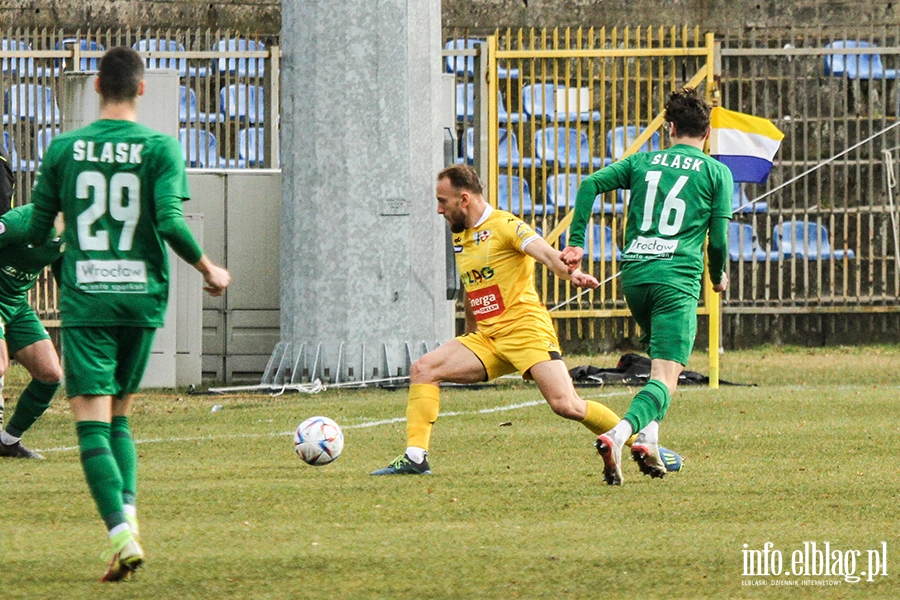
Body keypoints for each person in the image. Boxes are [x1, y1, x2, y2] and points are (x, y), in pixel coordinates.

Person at [28, 47, 231, 582]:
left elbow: (37, 230)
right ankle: (130, 534)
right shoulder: (161, 146)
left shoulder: (65, 148)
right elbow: (168, 220)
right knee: (120, 415)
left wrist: (54, 245)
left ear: (96, 86)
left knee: (91, 423)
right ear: (142, 89)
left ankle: (120, 533)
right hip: (141, 299)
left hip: (88, 299)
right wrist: (209, 268)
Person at [371, 164, 683, 477]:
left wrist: (571, 274)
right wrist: (469, 335)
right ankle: (415, 458)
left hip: (526, 332)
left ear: (463, 199)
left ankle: (645, 445)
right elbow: (472, 286)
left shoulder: (506, 225)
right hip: (488, 338)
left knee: (566, 405)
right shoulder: (462, 236)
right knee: (423, 369)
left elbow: (546, 254)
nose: (439, 210)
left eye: (443, 201)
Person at [561, 87, 732, 486]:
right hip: (677, 280)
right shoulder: (715, 171)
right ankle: (619, 435)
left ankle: (650, 443)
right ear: (707, 133)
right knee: (666, 377)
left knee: (660, 369)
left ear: (669, 128)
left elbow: (589, 185)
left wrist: (577, 242)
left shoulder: (643, 161)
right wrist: (716, 274)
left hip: (636, 277)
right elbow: (719, 240)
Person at [0, 204, 65, 459]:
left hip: (15, 303)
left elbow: (62, 265)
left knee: (50, 374)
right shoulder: (21, 221)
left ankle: (8, 441)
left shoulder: (78, 228)